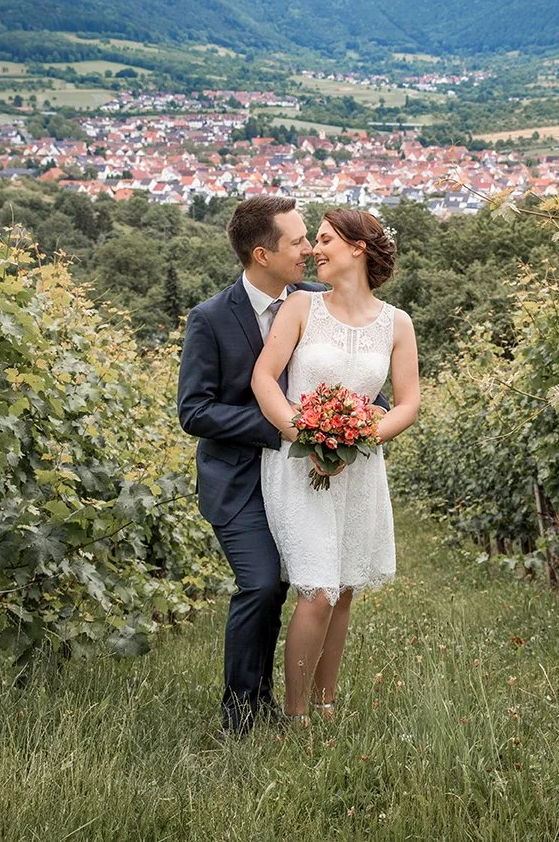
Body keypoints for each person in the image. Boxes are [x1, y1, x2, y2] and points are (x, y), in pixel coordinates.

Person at [250, 207, 419, 724]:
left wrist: (355, 437)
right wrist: (306, 435)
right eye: (314, 241)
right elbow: (264, 379)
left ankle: (325, 706)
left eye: (324, 240)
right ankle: (295, 715)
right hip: (299, 464)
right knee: (318, 591)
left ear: (358, 247)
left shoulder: (397, 323)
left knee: (343, 589)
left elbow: (408, 403)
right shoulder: (301, 306)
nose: (313, 250)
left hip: (360, 466)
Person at [176, 195, 320, 735]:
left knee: (287, 587)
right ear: (262, 254)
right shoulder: (210, 319)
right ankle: (240, 717)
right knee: (260, 584)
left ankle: (267, 701)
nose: (308, 249)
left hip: (302, 478)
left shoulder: (316, 302)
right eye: (297, 241)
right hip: (237, 481)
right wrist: (284, 427)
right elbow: (195, 410)